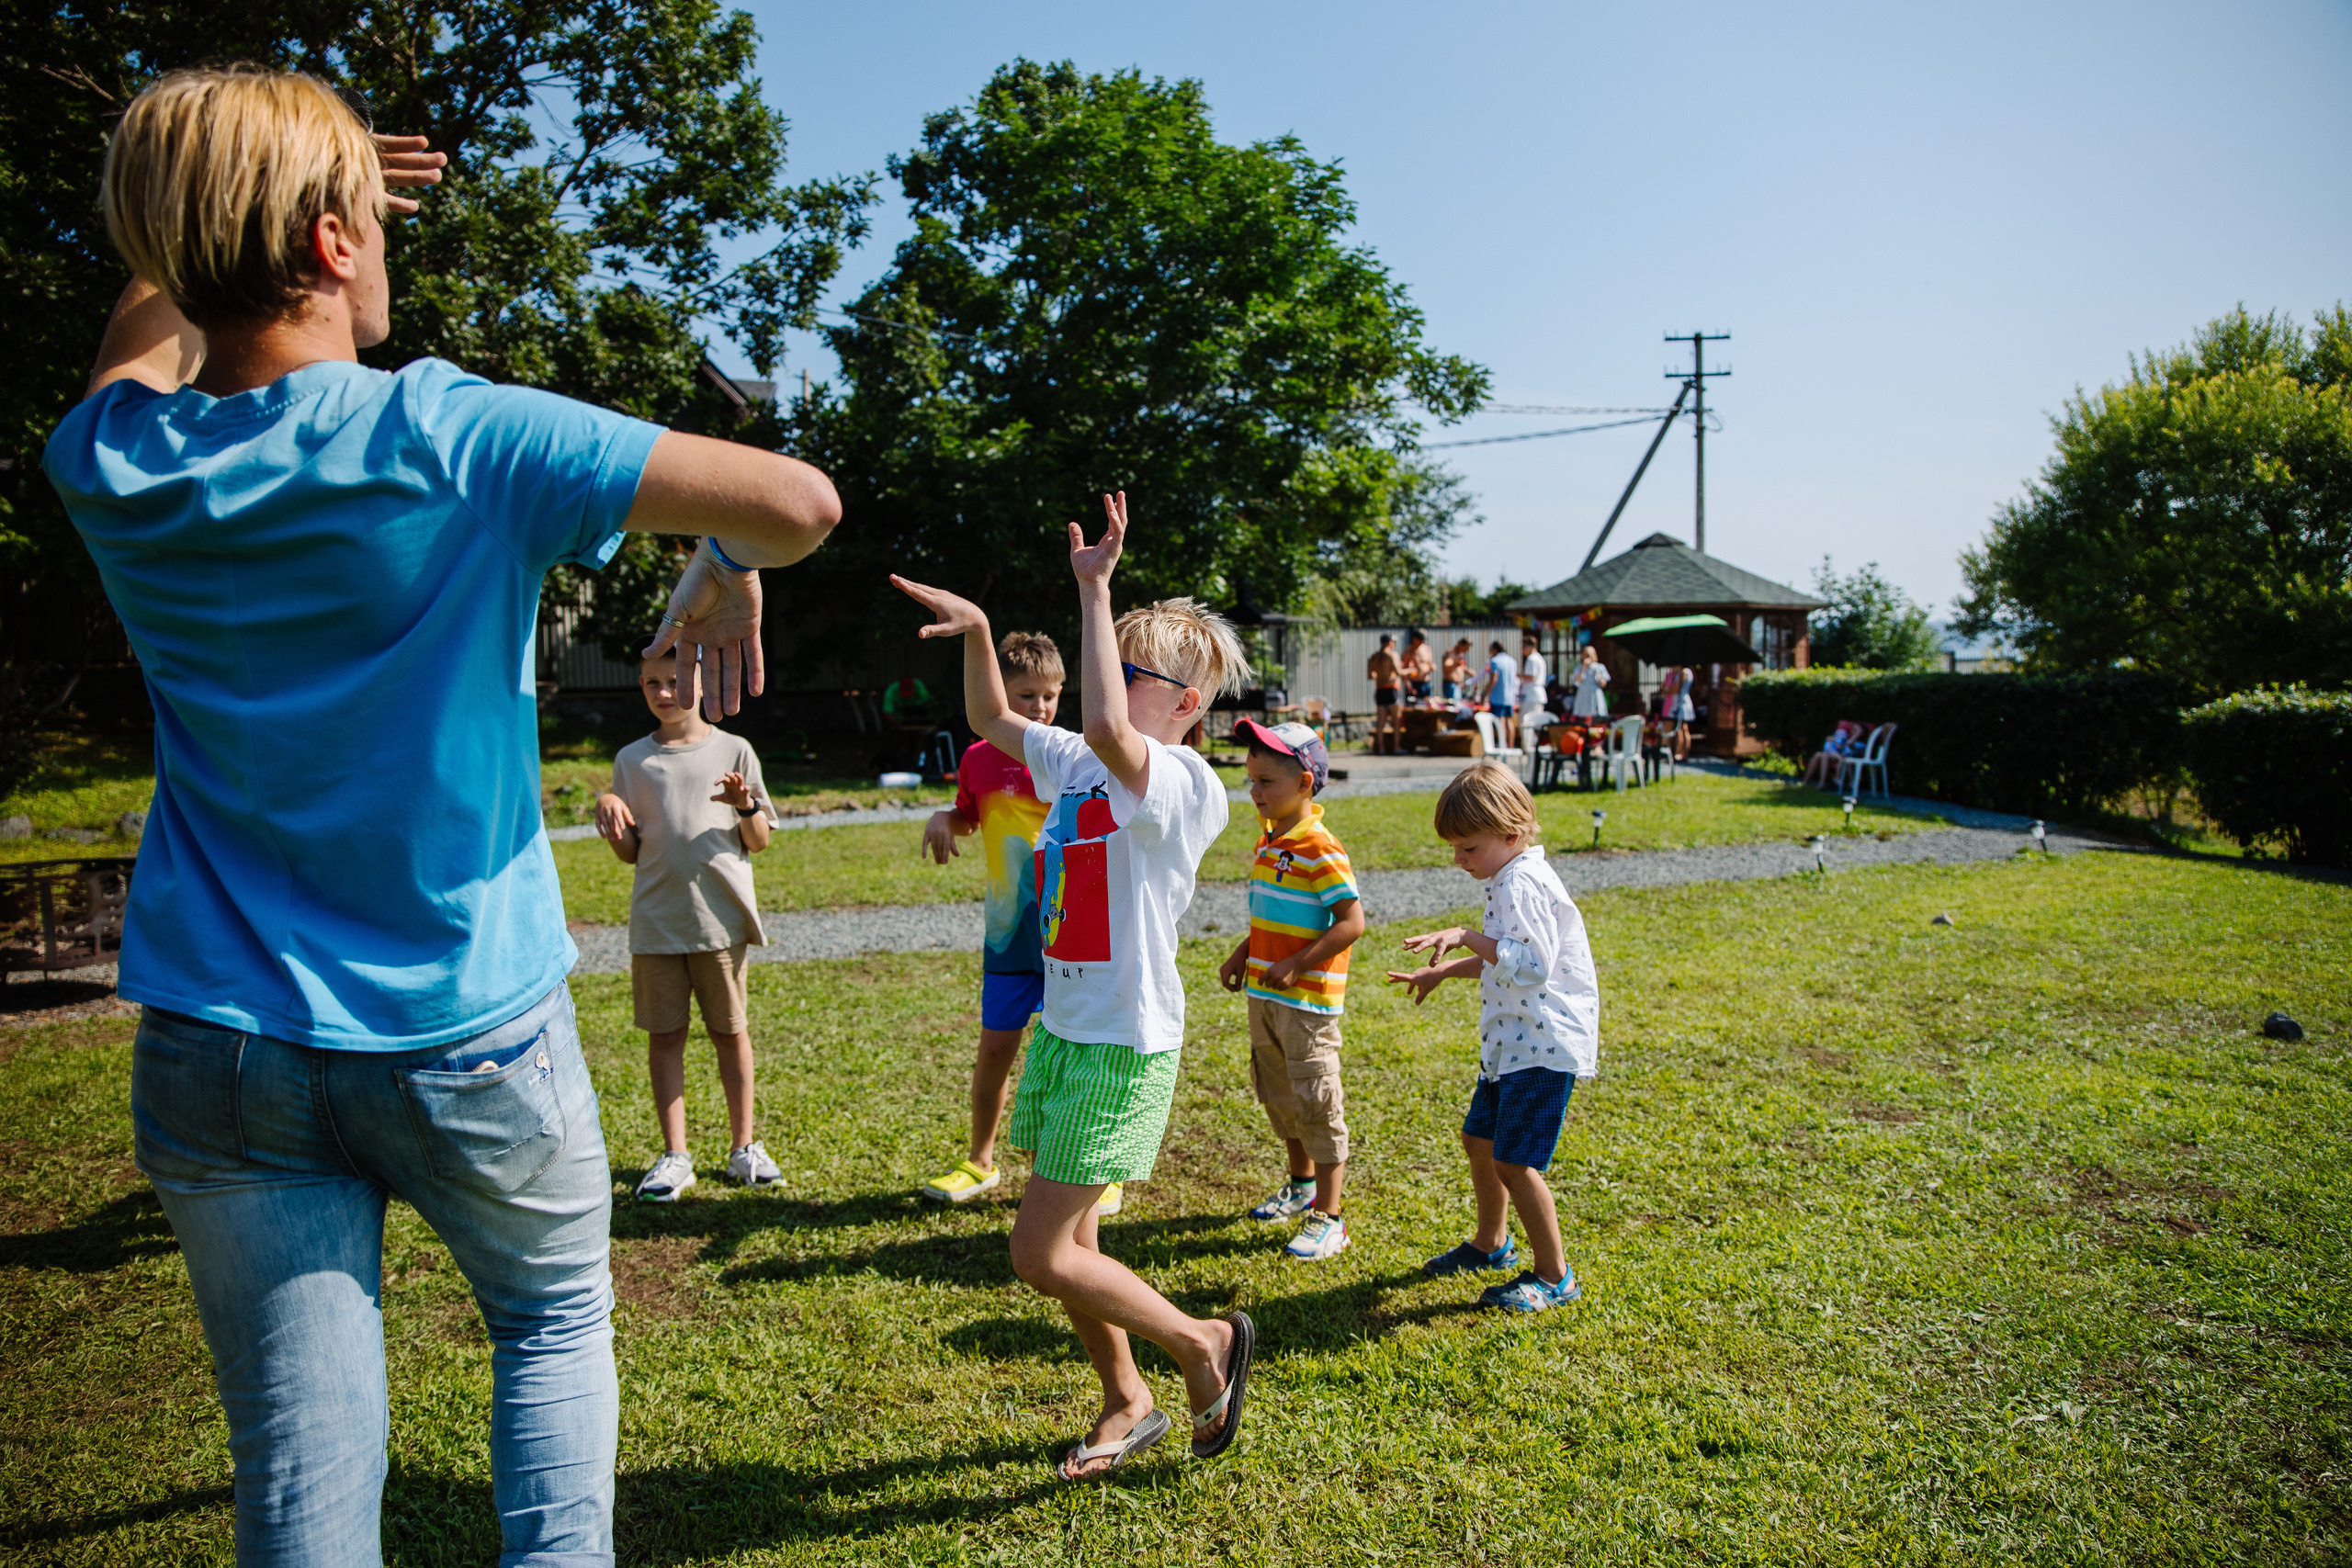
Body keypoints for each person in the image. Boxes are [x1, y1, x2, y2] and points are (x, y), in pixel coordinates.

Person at [44, 66, 840, 1564]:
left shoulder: (117, 464)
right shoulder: (449, 434)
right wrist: (723, 561)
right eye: (364, 222)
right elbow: (797, 505)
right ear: (336, 242)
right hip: (464, 1029)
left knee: (297, 1460)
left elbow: (141, 345)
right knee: (548, 1335)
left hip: (216, 1045)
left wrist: (215, 215)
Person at [890, 492, 1255, 1482]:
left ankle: (1201, 1346)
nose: (1108, 683)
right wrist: (974, 630)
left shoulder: (1177, 783)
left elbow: (1097, 716)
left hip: (1121, 1044)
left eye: (1131, 672)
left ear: (1182, 703)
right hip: (1067, 1028)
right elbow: (989, 718)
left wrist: (1092, 586)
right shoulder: (1080, 773)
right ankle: (1126, 1400)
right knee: (1077, 1245)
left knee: (1041, 1255)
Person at [915, 631, 1123, 1217]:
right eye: (1026, 694)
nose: (1040, 707)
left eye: (1051, 695)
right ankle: (980, 1160)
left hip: (1075, 940)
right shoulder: (979, 759)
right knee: (994, 1054)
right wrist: (942, 819)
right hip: (1008, 938)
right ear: (997, 691)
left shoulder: (1076, 756)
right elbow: (966, 817)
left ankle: (1096, 1170)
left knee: (1081, 1059)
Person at [1384, 761, 1599, 1314]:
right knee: (1480, 1141)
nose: (1458, 859)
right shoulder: (1508, 875)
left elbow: (1531, 966)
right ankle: (1491, 1243)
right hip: (1512, 1046)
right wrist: (1442, 971)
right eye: (1454, 847)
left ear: (1512, 833)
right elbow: (1503, 958)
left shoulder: (1524, 881)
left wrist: (1462, 935)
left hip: (1543, 1047)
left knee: (1514, 1162)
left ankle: (1555, 1276)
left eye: (1468, 847)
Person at [594, 641, 780, 1201]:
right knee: (665, 1038)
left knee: (730, 1034)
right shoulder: (632, 761)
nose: (665, 693)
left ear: (702, 682)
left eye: (675, 680)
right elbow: (632, 851)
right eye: (652, 683)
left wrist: (745, 805)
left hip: (719, 923)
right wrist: (609, 806)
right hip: (656, 923)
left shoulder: (735, 750)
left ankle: (744, 1147)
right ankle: (675, 1155)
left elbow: (760, 840)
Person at [1215, 720, 1365, 1261]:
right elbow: (1267, 916)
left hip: (1306, 1003)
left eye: (1265, 782)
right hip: (1265, 996)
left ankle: (1331, 1216)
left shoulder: (1320, 847)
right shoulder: (1268, 840)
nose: (1254, 792)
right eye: (1251, 780)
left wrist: (1298, 963)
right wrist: (1243, 953)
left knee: (1316, 1098)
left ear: (1305, 782)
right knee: (1279, 1094)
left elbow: (1352, 921)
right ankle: (1301, 1185)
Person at [1800, 720, 1865, 789]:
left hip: (1843, 759)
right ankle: (1805, 781)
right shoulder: (1846, 738)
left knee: (1824, 755)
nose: (1852, 731)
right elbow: (1840, 746)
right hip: (1837, 756)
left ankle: (1822, 783)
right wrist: (1832, 740)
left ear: (1861, 733)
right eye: (1853, 729)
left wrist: (1857, 734)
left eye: (1856, 730)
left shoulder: (1860, 744)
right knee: (1818, 754)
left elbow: (1849, 745)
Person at [1366, 633, 1404, 749]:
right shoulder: (1392, 655)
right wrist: (1412, 670)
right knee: (1396, 720)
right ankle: (1397, 747)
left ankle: (1381, 748)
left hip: (1380, 690)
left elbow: (1370, 675)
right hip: (1391, 689)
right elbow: (1399, 672)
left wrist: (1379, 675)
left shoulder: (1374, 657)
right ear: (1389, 642)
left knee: (1381, 721)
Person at [1480, 640, 1520, 745]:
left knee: (1500, 721)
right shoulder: (1512, 661)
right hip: (1510, 697)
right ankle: (1510, 745)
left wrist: (1485, 694)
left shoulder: (1495, 661)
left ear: (1494, 649)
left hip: (1498, 696)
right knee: (1509, 721)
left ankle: (1503, 745)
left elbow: (1494, 680)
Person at [1658, 665, 1697, 760]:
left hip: (1682, 703)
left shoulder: (1685, 672)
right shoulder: (1681, 672)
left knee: (1681, 729)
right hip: (1680, 702)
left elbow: (1675, 688)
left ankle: (1680, 753)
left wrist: (1668, 689)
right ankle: (1681, 753)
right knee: (1682, 728)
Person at [1566, 643, 1611, 721]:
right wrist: (1583, 667)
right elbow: (1577, 681)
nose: (1587, 657)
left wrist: (1599, 676)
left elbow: (1604, 683)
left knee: (1596, 715)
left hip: (1594, 693)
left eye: (1589, 655)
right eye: (1585, 655)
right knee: (1582, 716)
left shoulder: (1599, 667)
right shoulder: (1579, 667)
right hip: (1583, 693)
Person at [1516, 632, 1549, 731]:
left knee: (1526, 723)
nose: (1522, 650)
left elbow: (1532, 677)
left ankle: (1528, 746)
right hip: (1538, 694)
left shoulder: (1532, 659)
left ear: (1530, 646)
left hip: (1531, 695)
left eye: (1523, 647)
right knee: (1535, 724)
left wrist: (1518, 675)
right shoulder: (1539, 657)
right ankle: (1533, 744)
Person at [1402, 627, 1436, 700]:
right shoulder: (1408, 651)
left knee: (1427, 708)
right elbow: (1403, 670)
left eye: (1423, 639)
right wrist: (1409, 686)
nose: (1423, 641)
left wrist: (1433, 667)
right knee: (1413, 708)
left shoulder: (1427, 649)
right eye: (1421, 639)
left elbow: (1431, 664)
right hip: (1414, 684)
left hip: (1426, 683)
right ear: (1415, 639)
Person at [1442, 637, 1474, 701]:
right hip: (1451, 685)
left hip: (1457, 685)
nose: (1467, 651)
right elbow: (1446, 666)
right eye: (1466, 648)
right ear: (1461, 645)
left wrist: (1469, 671)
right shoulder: (1451, 653)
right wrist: (1456, 664)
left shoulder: (1460, 654)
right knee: (1454, 707)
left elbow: (1459, 667)